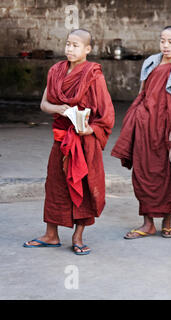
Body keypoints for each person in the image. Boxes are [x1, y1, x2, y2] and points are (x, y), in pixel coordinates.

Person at [23, 29, 115, 255]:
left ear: (88, 50)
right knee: (55, 185)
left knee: (82, 186)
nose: (69, 49)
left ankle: (78, 236)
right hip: (61, 140)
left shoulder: (94, 75)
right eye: (67, 44)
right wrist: (58, 109)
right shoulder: (55, 71)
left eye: (75, 45)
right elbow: (44, 104)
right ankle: (51, 234)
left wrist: (89, 129)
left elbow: (106, 114)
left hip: (84, 142)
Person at [111, 26, 171, 239]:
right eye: (162, 41)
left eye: (170, 42)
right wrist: (138, 115)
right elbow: (143, 92)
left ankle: (167, 222)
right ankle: (147, 223)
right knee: (144, 171)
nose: (165, 46)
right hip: (146, 126)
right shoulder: (151, 63)